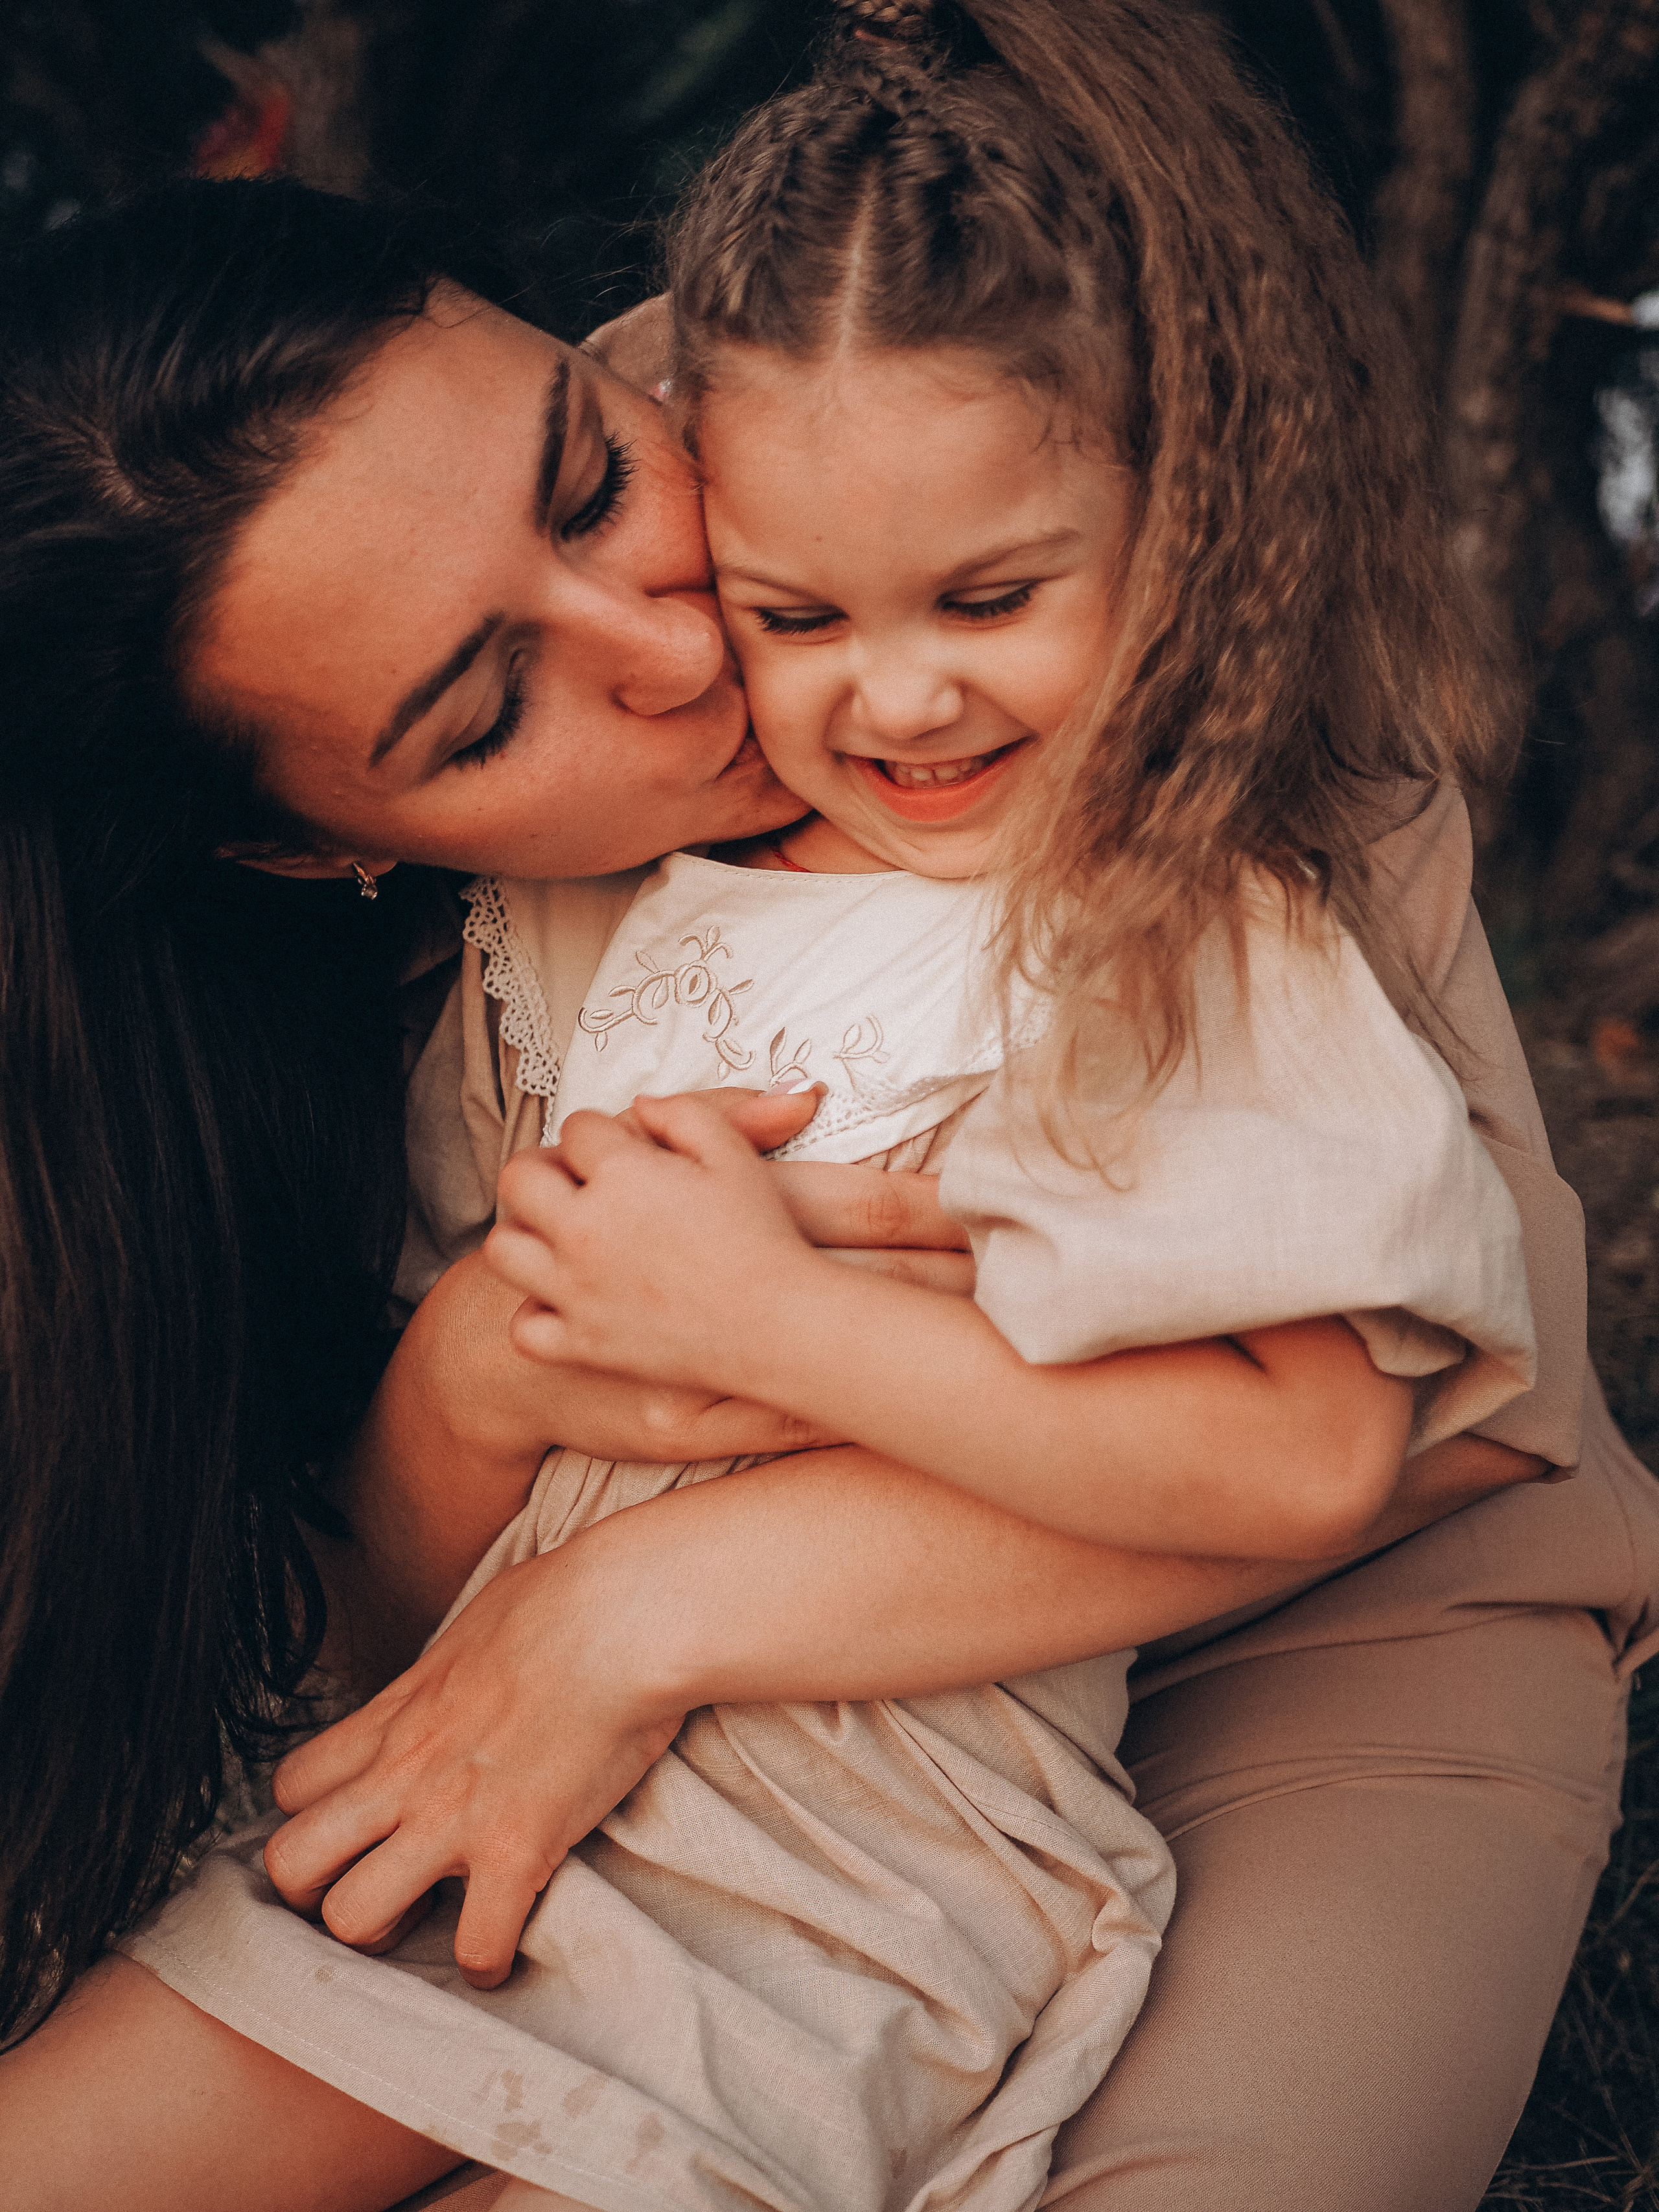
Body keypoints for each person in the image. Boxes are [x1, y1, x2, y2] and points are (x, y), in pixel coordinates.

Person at [0, 9, 1652, 2211]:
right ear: (318, 845)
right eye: (493, 706)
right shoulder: (402, 953)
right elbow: (368, 1626)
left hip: (1310, 1630)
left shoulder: (969, 471)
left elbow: (1401, 1426)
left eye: (598, 478)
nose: (676, 648)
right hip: (642, 1779)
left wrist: (645, 1609)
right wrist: (481, 1375)